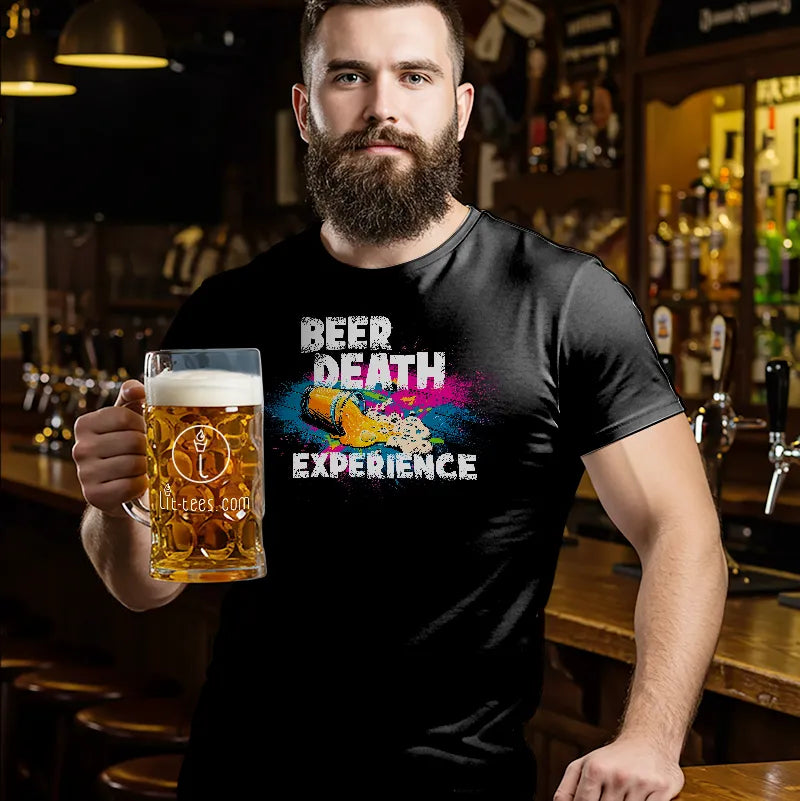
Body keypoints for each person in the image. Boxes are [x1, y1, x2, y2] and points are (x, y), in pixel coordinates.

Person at [72, 1, 729, 799]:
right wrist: (117, 505)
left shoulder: (563, 301)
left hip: (461, 785)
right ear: (305, 110)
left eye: (415, 76)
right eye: (349, 76)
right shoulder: (229, 311)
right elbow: (147, 584)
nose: (382, 106)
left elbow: (683, 527)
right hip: (243, 775)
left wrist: (652, 738)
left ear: (460, 108)